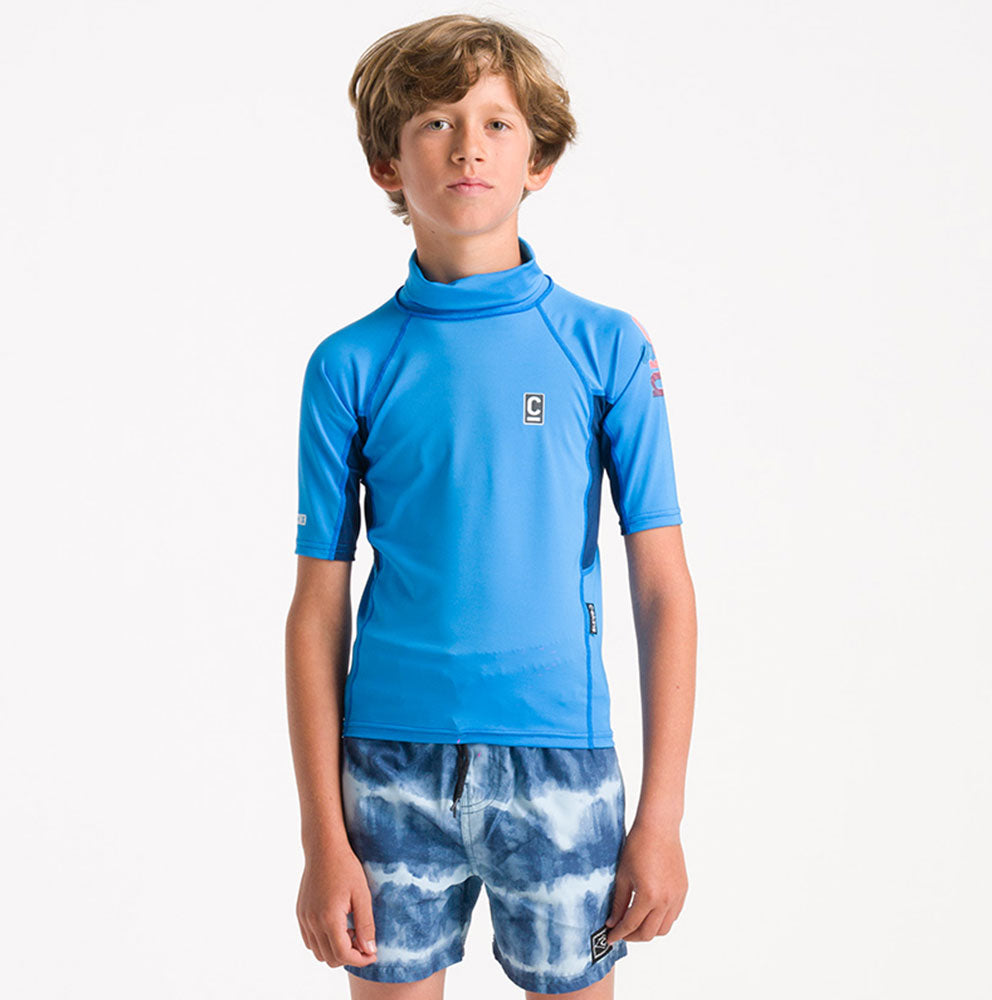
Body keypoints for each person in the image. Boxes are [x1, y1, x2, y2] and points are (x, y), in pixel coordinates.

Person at [284, 13, 697, 999]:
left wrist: (661, 817)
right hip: (388, 766)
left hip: (561, 762)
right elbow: (316, 605)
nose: (468, 145)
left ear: (537, 162)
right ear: (387, 165)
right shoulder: (348, 364)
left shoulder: (606, 347)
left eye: (497, 123)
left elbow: (663, 589)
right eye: (435, 122)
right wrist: (321, 837)